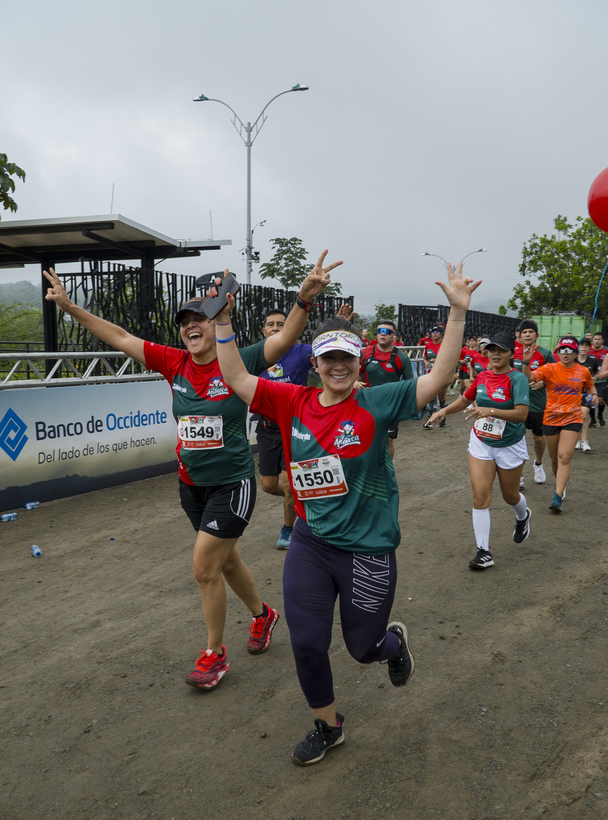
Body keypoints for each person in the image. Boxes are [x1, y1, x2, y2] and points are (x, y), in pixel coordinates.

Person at [212, 257, 480, 764]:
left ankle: (392, 645)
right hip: (311, 544)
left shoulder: (377, 403)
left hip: (367, 549)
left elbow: (441, 375)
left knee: (362, 649)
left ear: (360, 364)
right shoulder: (291, 402)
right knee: (308, 643)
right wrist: (222, 320)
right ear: (315, 363)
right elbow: (235, 375)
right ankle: (328, 725)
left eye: (347, 359)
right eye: (328, 358)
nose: (338, 366)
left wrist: (458, 313)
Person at [43, 253, 341, 690]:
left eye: (198, 318)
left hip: (232, 484)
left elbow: (284, 341)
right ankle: (263, 615)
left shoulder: (238, 360)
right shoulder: (174, 362)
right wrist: (71, 307)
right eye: (184, 322)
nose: (189, 326)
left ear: (215, 322)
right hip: (190, 485)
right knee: (226, 561)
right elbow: (120, 336)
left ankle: (214, 655)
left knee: (204, 567)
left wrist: (303, 299)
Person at [429, 333, 531, 570]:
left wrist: (491, 411)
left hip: (509, 444)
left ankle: (523, 515)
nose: (495, 354)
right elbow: (465, 400)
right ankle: (483, 551)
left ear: (510, 354)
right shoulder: (483, 376)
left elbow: (522, 414)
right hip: (481, 442)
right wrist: (444, 411)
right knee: (480, 497)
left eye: (501, 350)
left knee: (510, 496)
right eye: (492, 349)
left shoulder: (517, 379)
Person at [252, 308, 313, 550]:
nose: (276, 328)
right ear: (264, 330)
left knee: (289, 484)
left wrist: (338, 329)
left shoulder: (302, 351)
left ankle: (288, 530)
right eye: (271, 324)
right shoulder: (256, 357)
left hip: (294, 428)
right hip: (266, 428)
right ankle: (305, 497)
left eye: (281, 324)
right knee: (268, 485)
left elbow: (330, 355)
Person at [523, 335, 599, 513]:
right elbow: (529, 377)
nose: (566, 353)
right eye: (562, 350)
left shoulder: (583, 371)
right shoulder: (549, 368)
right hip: (551, 418)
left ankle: (557, 496)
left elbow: (590, 386)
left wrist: (594, 396)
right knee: (554, 459)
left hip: (572, 418)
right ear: (557, 352)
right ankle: (561, 482)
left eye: (570, 350)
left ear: (575, 353)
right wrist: (526, 362)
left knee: (564, 456)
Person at [358, 320, 414, 457]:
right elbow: (356, 375)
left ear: (394, 335)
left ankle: (387, 469)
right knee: (365, 440)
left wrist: (406, 406)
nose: (383, 334)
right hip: (367, 404)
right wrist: (354, 383)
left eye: (387, 332)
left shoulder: (402, 357)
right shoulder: (365, 352)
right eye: (380, 331)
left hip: (391, 406)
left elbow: (410, 384)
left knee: (387, 441)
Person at [512, 319, 553, 484]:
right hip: (517, 403)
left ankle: (538, 464)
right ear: (520, 336)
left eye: (531, 332)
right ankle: (518, 473)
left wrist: (543, 383)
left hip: (537, 403)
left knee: (538, 438)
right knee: (517, 438)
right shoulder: (512, 353)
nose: (527, 335)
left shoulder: (545, 354)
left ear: (537, 335)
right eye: (524, 332)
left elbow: (556, 375)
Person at [575, 338, 600, 453]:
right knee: (576, 417)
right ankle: (576, 440)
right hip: (573, 393)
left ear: (589, 348)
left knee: (584, 415)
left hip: (586, 393)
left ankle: (584, 441)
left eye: (586, 346)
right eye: (582, 345)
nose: (584, 348)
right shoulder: (573, 360)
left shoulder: (592, 361)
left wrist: (595, 378)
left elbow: (596, 373)